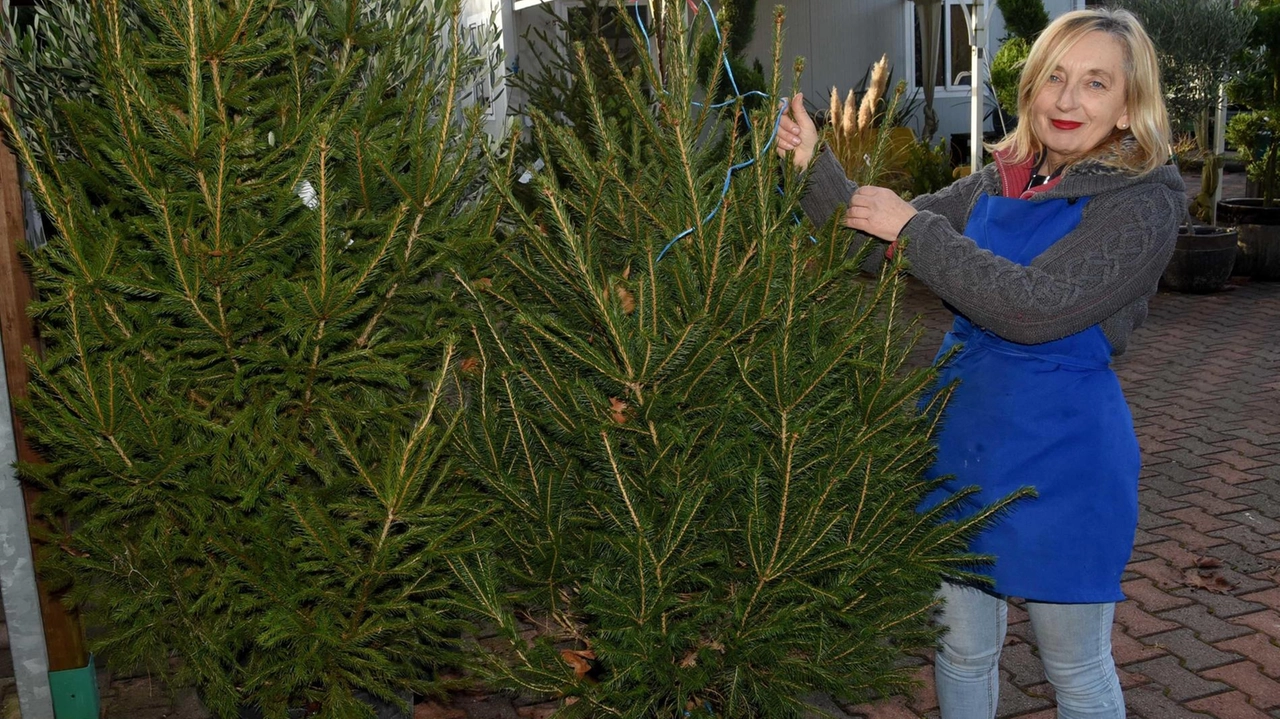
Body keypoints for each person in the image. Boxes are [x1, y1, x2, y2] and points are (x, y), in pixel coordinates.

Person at [776, 8, 1183, 719]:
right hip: (965, 442)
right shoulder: (1002, 181)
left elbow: (1037, 307)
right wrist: (817, 167)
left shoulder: (1143, 202)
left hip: (1066, 460)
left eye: (1094, 83)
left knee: (1075, 666)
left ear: (1128, 106)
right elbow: (874, 243)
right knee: (961, 651)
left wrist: (916, 230)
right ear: (1029, 88)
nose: (1066, 99)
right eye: (1054, 76)